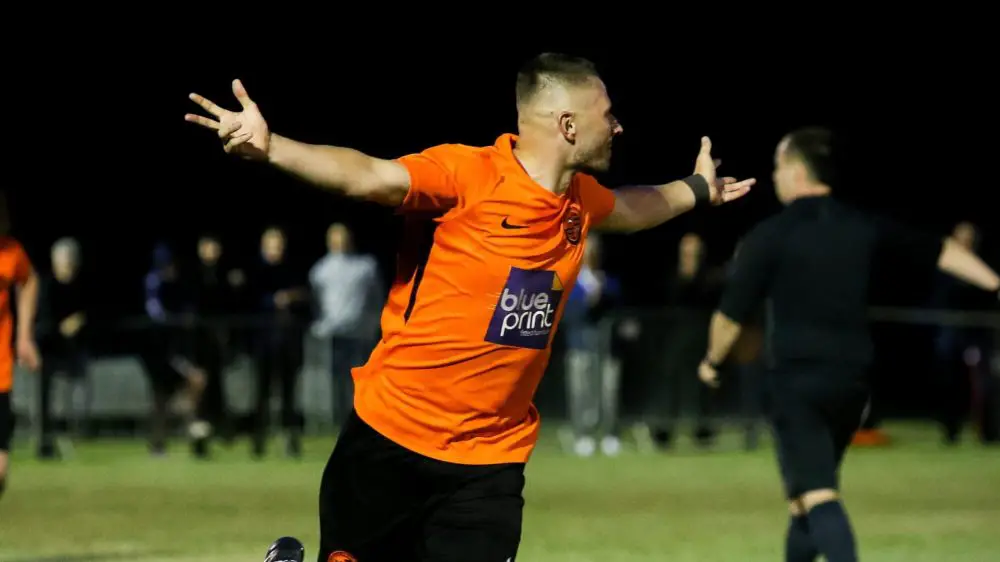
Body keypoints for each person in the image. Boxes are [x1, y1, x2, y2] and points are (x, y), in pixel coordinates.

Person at [186, 52, 755, 562]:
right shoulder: (468, 174)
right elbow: (370, 176)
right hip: (390, 442)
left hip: (489, 463)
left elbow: (633, 209)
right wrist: (272, 147)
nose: (618, 124)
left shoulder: (579, 202)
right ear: (567, 124)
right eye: (607, 113)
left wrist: (699, 188)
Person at [697, 127, 1000, 562]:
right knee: (803, 498)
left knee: (818, 496)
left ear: (798, 171)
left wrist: (711, 363)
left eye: (778, 167)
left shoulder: (770, 236)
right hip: (853, 381)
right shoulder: (861, 225)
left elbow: (728, 318)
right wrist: (995, 283)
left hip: (796, 382)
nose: (775, 176)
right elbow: (941, 251)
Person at [309, 223, 383, 429]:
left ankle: (360, 420)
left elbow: (375, 297)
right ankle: (338, 421)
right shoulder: (320, 269)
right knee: (336, 379)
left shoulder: (365, 266)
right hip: (332, 333)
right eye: (335, 237)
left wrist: (373, 323)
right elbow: (316, 301)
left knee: (359, 379)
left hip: (360, 333)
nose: (339, 241)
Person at [0, 191, 41, 501]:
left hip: (0, 370)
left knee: (0, 466)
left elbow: (28, 281)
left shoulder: (10, 252)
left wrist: (24, 336)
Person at [37, 237, 89, 459]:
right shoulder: (46, 285)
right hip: (47, 349)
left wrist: (78, 323)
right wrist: (62, 328)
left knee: (74, 394)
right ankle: (45, 443)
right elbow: (42, 321)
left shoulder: (79, 287)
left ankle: (74, 435)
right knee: (45, 398)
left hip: (70, 351)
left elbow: (86, 315)